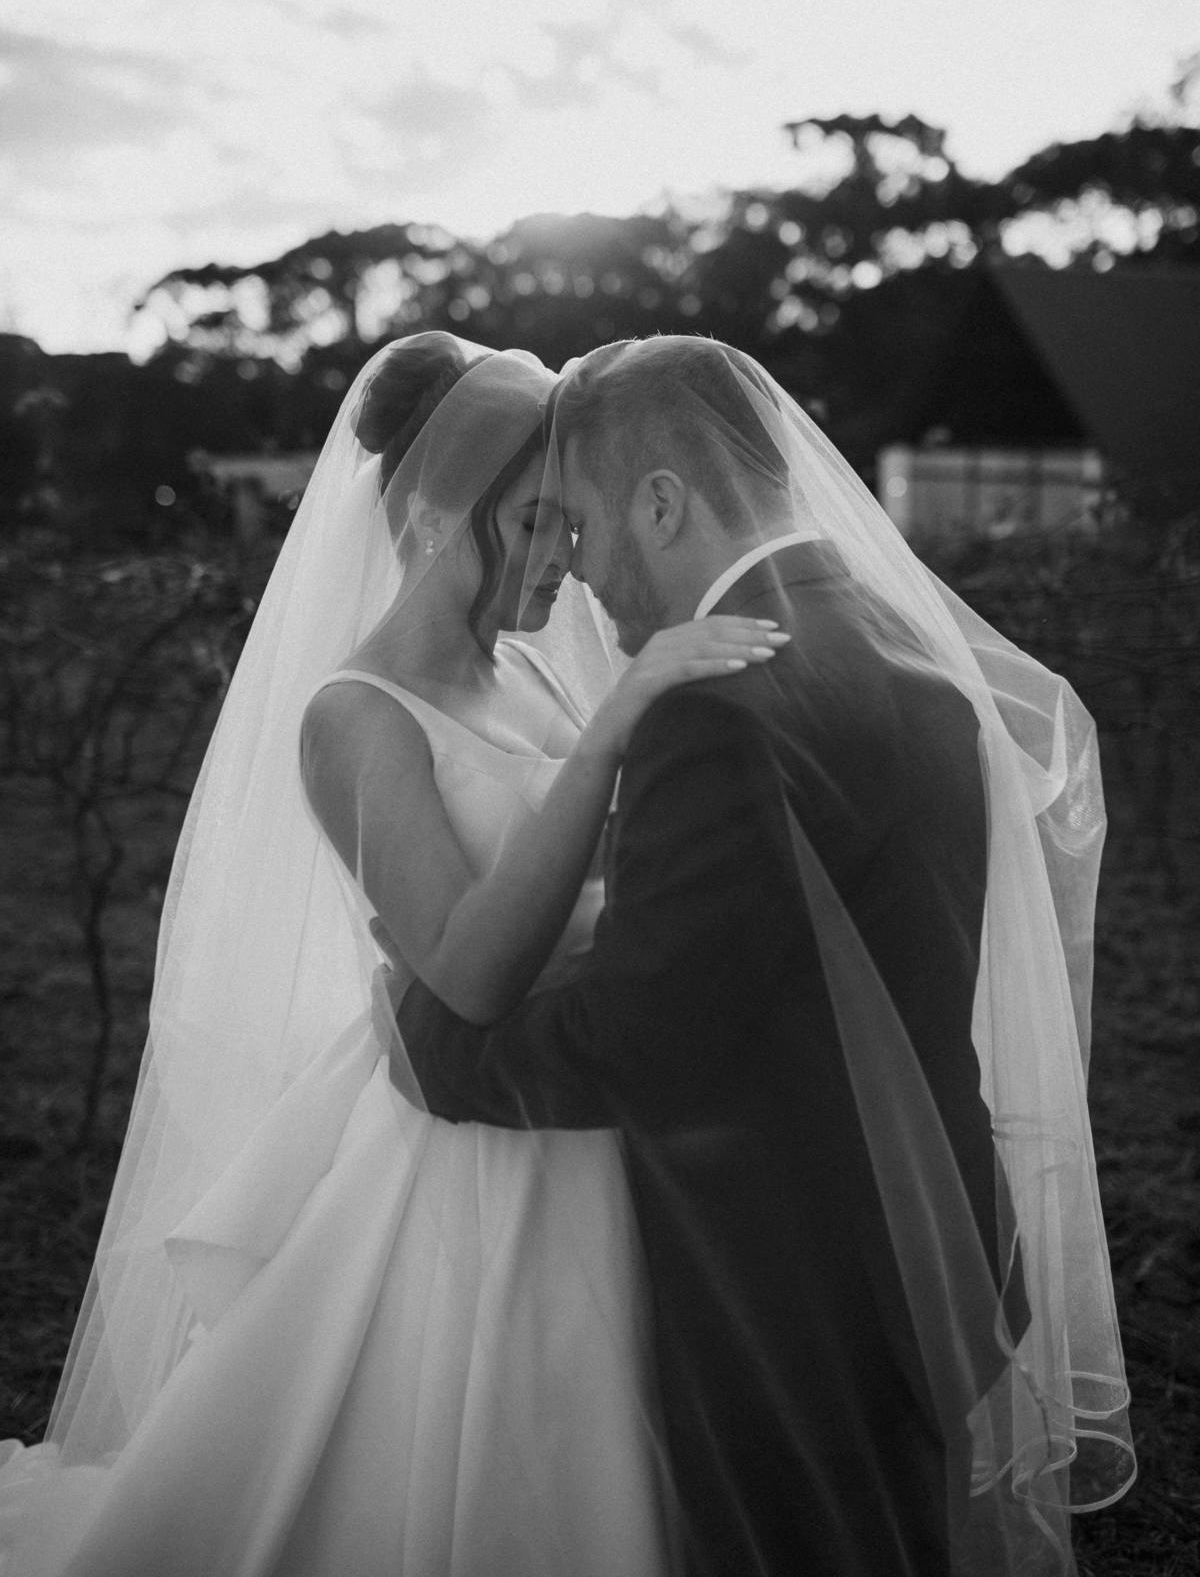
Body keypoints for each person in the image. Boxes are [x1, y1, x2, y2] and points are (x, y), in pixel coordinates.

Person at [0, 331, 783, 1577]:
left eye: (569, 522)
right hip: (468, 1156)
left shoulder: (530, 676)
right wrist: (621, 727)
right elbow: (466, 974)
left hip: (586, 1101)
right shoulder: (356, 717)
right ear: (430, 517)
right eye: (531, 523)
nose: (564, 558)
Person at [387, 335, 1136, 1577]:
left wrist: (433, 1043)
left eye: (581, 525)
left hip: (784, 1280)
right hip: (932, 1232)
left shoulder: (714, 707)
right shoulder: (903, 649)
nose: (578, 572)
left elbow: (648, 1042)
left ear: (662, 504)